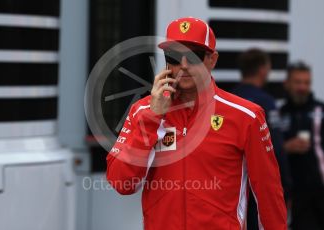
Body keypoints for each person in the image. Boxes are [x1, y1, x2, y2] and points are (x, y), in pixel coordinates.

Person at [106, 17, 287, 229]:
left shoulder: (246, 115)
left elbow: (268, 192)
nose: (183, 65)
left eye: (194, 56)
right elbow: (122, 183)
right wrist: (152, 118)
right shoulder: (143, 112)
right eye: (174, 56)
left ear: (212, 59)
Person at [233, 49, 292, 230]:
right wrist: (287, 185)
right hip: (260, 188)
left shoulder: (229, 100)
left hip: (235, 187)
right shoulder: (265, 103)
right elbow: (275, 149)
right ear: (263, 70)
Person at [280, 61, 324, 230]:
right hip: (296, 194)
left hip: (321, 188)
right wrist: (285, 147)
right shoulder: (279, 113)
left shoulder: (320, 110)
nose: (302, 87)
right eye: (298, 82)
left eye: (306, 83)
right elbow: (269, 150)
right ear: (287, 84)